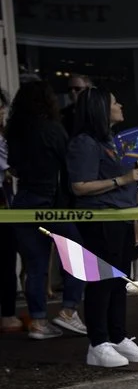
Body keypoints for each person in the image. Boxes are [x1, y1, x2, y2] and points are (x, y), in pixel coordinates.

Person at [63, 87, 138, 368]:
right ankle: (98, 342)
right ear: (101, 109)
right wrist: (121, 180)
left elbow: (126, 187)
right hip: (99, 219)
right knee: (102, 282)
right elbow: (79, 186)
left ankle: (118, 336)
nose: (120, 105)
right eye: (114, 102)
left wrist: (133, 218)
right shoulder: (85, 143)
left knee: (119, 282)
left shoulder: (113, 141)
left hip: (121, 219)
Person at [6, 79, 68, 338]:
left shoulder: (15, 131)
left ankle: (39, 320)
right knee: (74, 256)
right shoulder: (52, 129)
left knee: (35, 265)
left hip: (23, 200)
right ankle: (70, 311)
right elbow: (67, 161)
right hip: (51, 200)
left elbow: (14, 166)